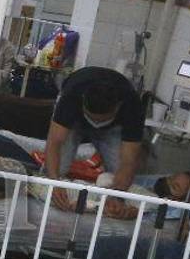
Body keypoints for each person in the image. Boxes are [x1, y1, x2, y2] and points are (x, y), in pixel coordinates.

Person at [45, 67, 145, 218]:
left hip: (113, 129)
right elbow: (54, 143)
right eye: (91, 117)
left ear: (118, 107)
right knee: (57, 169)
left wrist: (117, 196)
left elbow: (129, 160)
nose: (95, 123)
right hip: (74, 122)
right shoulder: (72, 95)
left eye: (102, 120)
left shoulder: (132, 106)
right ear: (83, 101)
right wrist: (55, 183)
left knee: (119, 174)